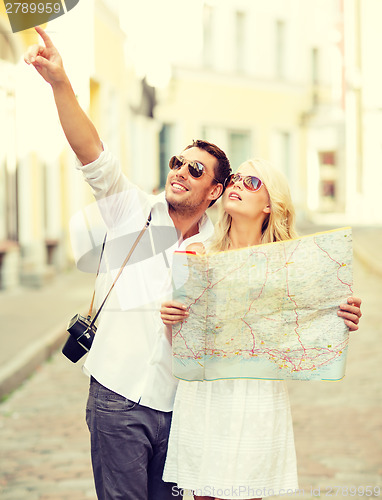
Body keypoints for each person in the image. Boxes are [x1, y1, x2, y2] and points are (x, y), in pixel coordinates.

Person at [24, 27, 362, 500]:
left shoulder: (218, 248)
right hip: (118, 393)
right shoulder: (131, 209)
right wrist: (61, 83)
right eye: (177, 163)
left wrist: (335, 314)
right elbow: (91, 152)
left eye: (196, 170)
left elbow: (274, 313)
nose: (181, 172)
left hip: (183, 410)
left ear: (216, 192)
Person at [160, 158, 362, 500]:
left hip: (257, 394)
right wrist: (172, 318)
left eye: (251, 183)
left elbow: (314, 324)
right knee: (206, 496)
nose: (237, 184)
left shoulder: (291, 265)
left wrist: (342, 317)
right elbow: (183, 343)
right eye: (236, 178)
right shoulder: (197, 254)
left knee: (248, 492)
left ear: (270, 205)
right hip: (207, 393)